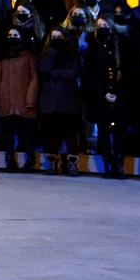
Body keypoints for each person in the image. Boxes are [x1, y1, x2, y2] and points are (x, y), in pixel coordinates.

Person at [35, 24, 86, 175]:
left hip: (69, 99)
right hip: (50, 99)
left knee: (71, 133)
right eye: (53, 38)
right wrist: (52, 52)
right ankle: (52, 162)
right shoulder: (46, 53)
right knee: (52, 133)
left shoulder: (72, 54)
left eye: (59, 37)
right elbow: (43, 70)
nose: (56, 40)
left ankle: (72, 164)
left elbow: (72, 73)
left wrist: (53, 74)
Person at [83, 14, 129, 177]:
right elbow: (90, 74)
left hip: (118, 95)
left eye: (105, 25)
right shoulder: (92, 47)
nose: (102, 28)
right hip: (100, 96)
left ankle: (119, 164)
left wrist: (116, 93)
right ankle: (108, 164)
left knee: (119, 132)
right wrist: (103, 93)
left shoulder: (120, 45)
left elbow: (126, 72)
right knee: (103, 131)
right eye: (99, 25)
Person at [0, 25, 39, 172]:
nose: (12, 37)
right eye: (9, 35)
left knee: (29, 133)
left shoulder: (28, 55)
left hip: (24, 100)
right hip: (6, 100)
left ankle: (30, 160)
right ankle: (10, 160)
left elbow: (34, 78)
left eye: (15, 35)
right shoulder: (1, 56)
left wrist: (30, 100)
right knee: (8, 133)